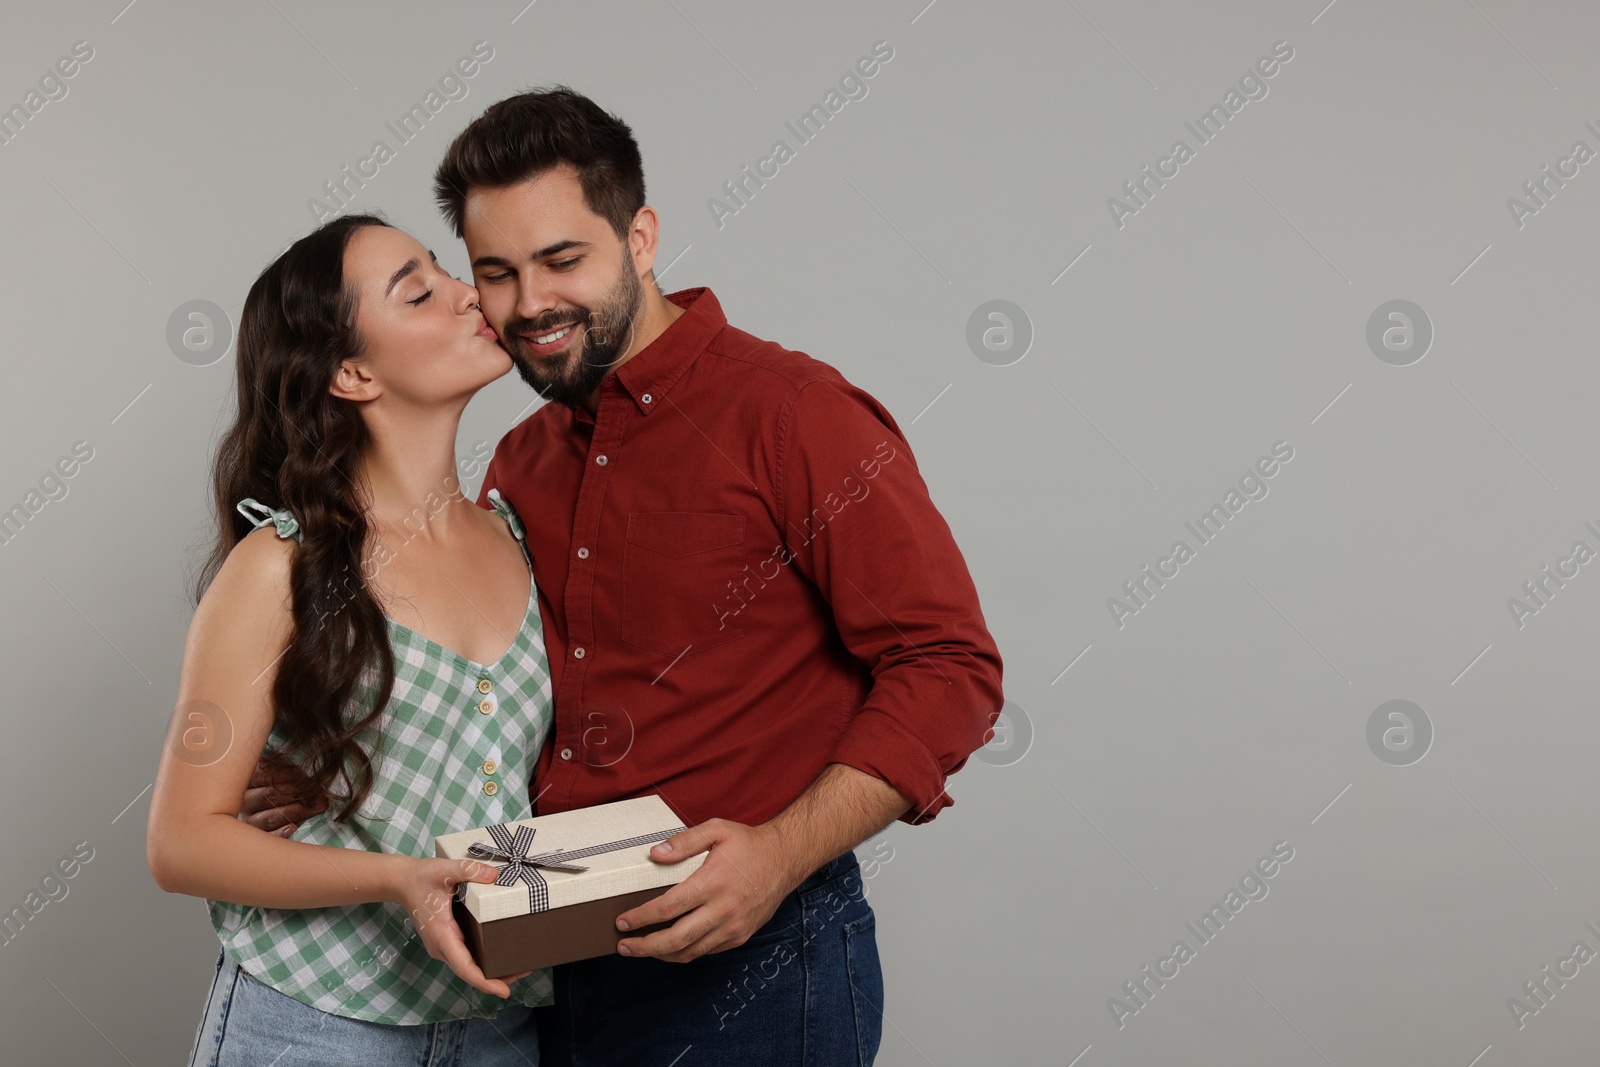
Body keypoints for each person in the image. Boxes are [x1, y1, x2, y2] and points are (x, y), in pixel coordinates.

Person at [241, 86, 1006, 1067]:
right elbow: (499, 698)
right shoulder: (517, 460)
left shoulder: (795, 414)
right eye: (497, 274)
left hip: (761, 962)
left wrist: (779, 854)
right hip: (553, 962)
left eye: (564, 260)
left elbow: (949, 667)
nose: (530, 305)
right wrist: (339, 769)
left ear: (640, 237)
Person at [147, 212, 555, 1066]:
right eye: (420, 290)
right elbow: (181, 841)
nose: (466, 292)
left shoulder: (525, 536)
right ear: (354, 371)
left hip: (503, 1025)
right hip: (314, 1022)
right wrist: (397, 878)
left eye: (446, 270)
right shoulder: (279, 566)